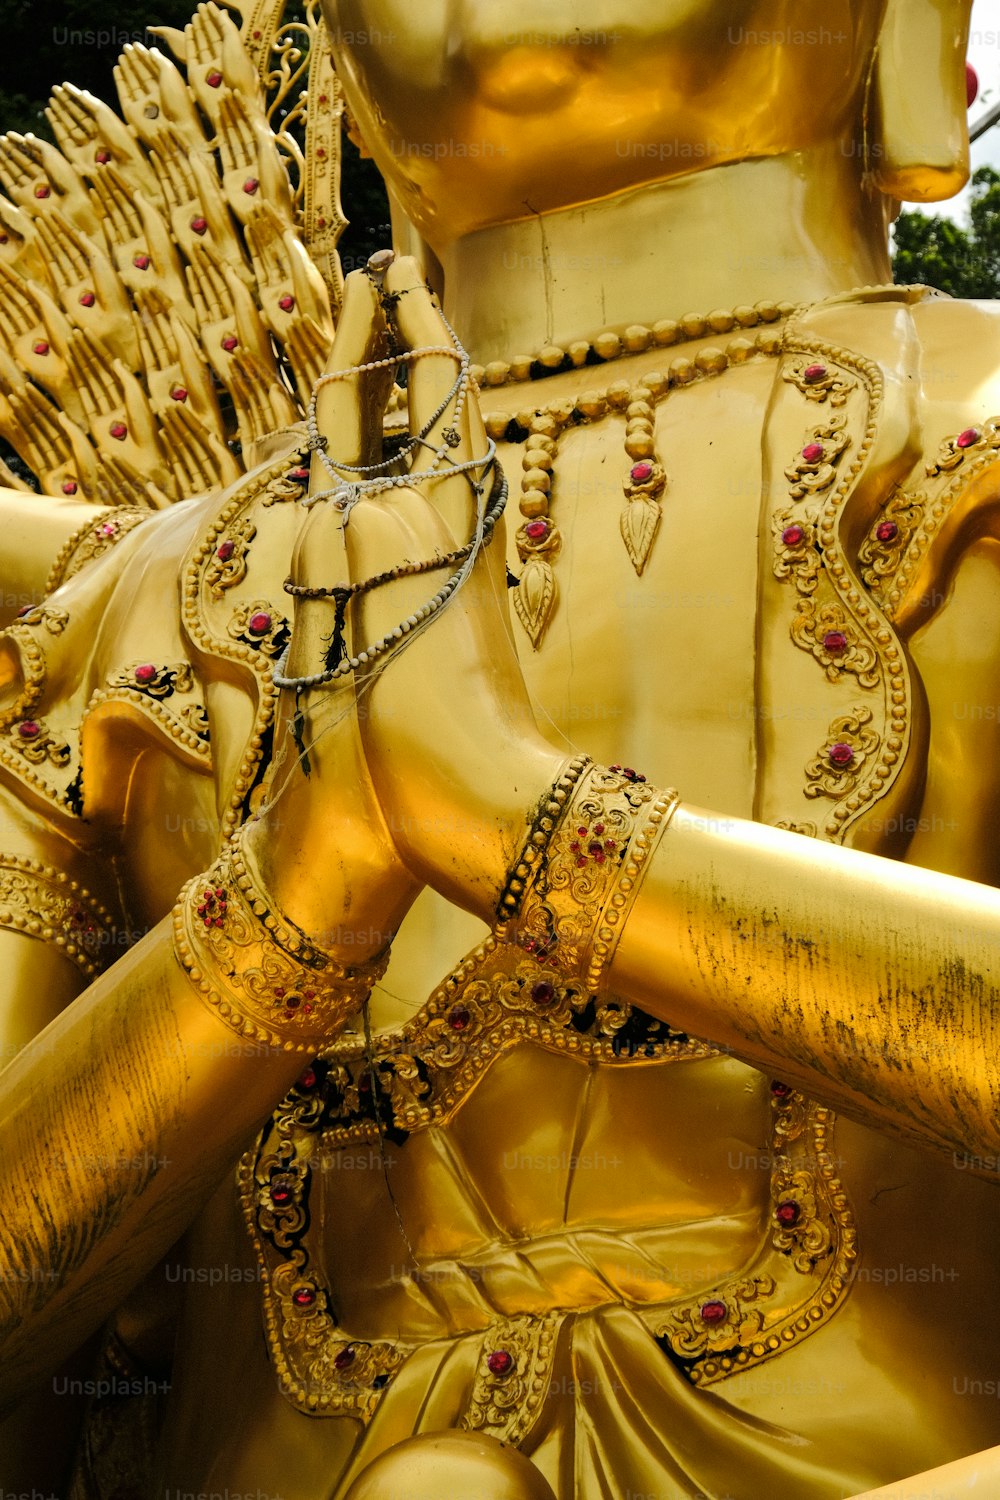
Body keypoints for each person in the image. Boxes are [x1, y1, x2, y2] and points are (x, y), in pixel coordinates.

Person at [4, 2, 1000, 1497]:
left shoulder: (968, 454)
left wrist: (516, 815)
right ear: (336, 61)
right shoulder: (142, 626)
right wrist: (298, 890)